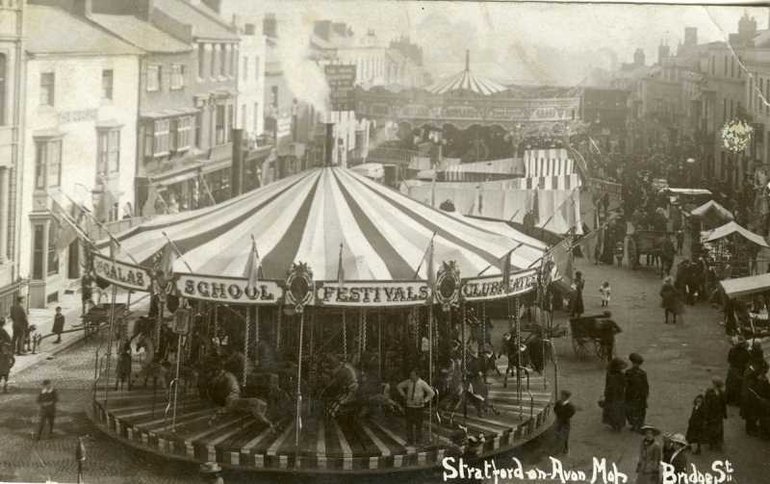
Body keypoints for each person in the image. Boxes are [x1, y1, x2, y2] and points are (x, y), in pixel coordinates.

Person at [396, 369, 435, 445]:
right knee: (409, 425)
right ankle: (410, 441)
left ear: (417, 376)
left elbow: (431, 393)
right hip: (409, 406)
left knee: (418, 425)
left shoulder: (422, 383)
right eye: (410, 375)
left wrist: (424, 400)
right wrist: (403, 395)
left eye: (413, 375)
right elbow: (399, 386)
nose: (411, 376)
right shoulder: (408, 382)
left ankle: (418, 441)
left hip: (418, 407)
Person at [625, 353, 649, 432]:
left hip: (640, 395)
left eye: (638, 364)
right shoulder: (628, 372)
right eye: (635, 363)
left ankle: (639, 425)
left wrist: (645, 394)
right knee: (630, 411)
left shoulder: (642, 373)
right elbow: (625, 384)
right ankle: (634, 424)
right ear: (632, 363)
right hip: (630, 394)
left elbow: (645, 385)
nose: (636, 365)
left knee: (640, 410)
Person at [602, 357, 627, 432]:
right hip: (619, 395)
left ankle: (613, 425)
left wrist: (605, 392)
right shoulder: (621, 375)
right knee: (618, 410)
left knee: (611, 410)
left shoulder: (609, 374)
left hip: (610, 395)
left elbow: (607, 384)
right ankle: (618, 425)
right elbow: (625, 384)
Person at [703, 377, 727, 451]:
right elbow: (706, 404)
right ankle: (711, 443)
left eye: (713, 383)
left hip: (718, 414)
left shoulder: (722, 393)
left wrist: (724, 413)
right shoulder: (709, 392)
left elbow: (723, 404)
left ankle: (718, 443)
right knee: (711, 428)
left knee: (718, 429)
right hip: (711, 414)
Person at [726, 336, 751, 405]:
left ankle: (729, 399)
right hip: (740, 370)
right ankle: (736, 401)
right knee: (739, 385)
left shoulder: (732, 350)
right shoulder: (746, 352)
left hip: (733, 369)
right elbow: (747, 362)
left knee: (730, 384)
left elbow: (729, 360)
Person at [553, 389, 576, 455]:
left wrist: (564, 416)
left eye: (563, 396)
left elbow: (572, 413)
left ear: (566, 397)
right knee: (557, 434)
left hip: (565, 422)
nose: (561, 397)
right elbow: (555, 409)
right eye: (561, 395)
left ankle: (565, 449)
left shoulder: (570, 406)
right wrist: (558, 415)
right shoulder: (558, 403)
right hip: (559, 421)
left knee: (564, 436)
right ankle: (557, 449)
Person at [0, 318, 12, 393]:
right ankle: (5, 386)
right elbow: (9, 340)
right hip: (3, 353)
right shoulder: (3, 331)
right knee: (5, 370)